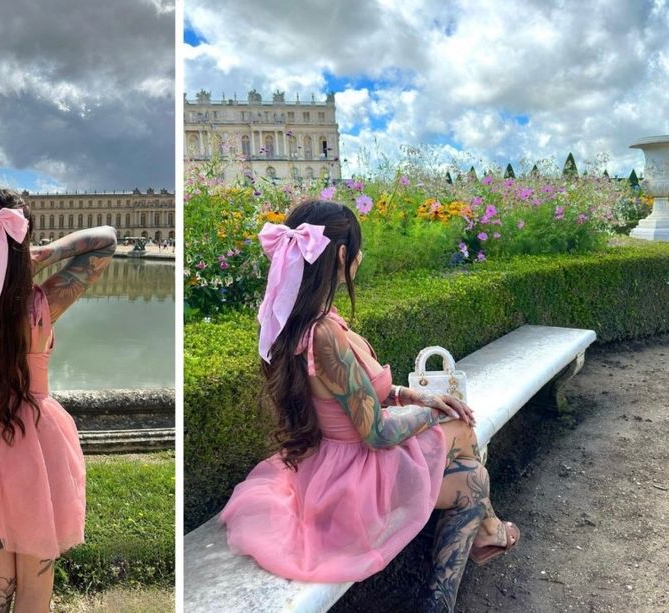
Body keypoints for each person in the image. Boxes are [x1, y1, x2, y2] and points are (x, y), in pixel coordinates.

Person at [219, 199, 519, 612]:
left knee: (470, 470)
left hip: (337, 463)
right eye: (356, 250)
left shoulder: (305, 319)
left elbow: (354, 394)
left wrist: (408, 395)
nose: (359, 258)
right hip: (352, 477)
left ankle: (465, 564)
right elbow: (376, 433)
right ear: (342, 255)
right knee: (465, 450)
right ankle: (482, 541)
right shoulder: (324, 334)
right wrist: (437, 411)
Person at [0, 188, 116, 613]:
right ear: (24, 245)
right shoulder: (41, 304)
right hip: (37, 441)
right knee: (35, 593)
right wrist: (30, 255)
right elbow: (106, 239)